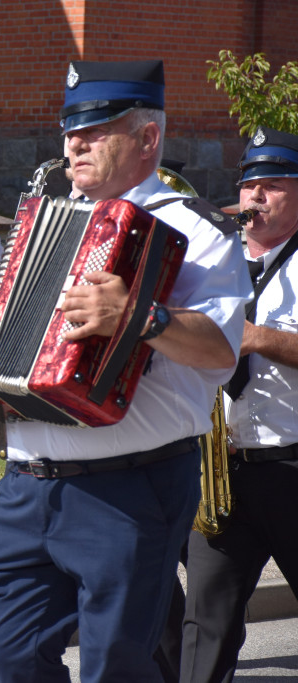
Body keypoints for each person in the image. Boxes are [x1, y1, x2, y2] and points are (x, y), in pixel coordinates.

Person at [0, 59, 251, 683]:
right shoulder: (40, 221)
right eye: (70, 129)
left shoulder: (196, 229)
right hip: (28, 482)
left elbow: (221, 350)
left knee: (115, 665)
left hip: (130, 486)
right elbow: (9, 331)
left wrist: (140, 316)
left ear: (148, 139)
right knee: (6, 651)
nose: (75, 143)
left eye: (98, 130)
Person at [179, 125, 298, 683]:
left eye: (272, 185)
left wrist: (254, 337)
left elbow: (246, 339)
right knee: (204, 629)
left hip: (293, 465)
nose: (255, 197)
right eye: (250, 184)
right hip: (221, 473)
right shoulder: (213, 261)